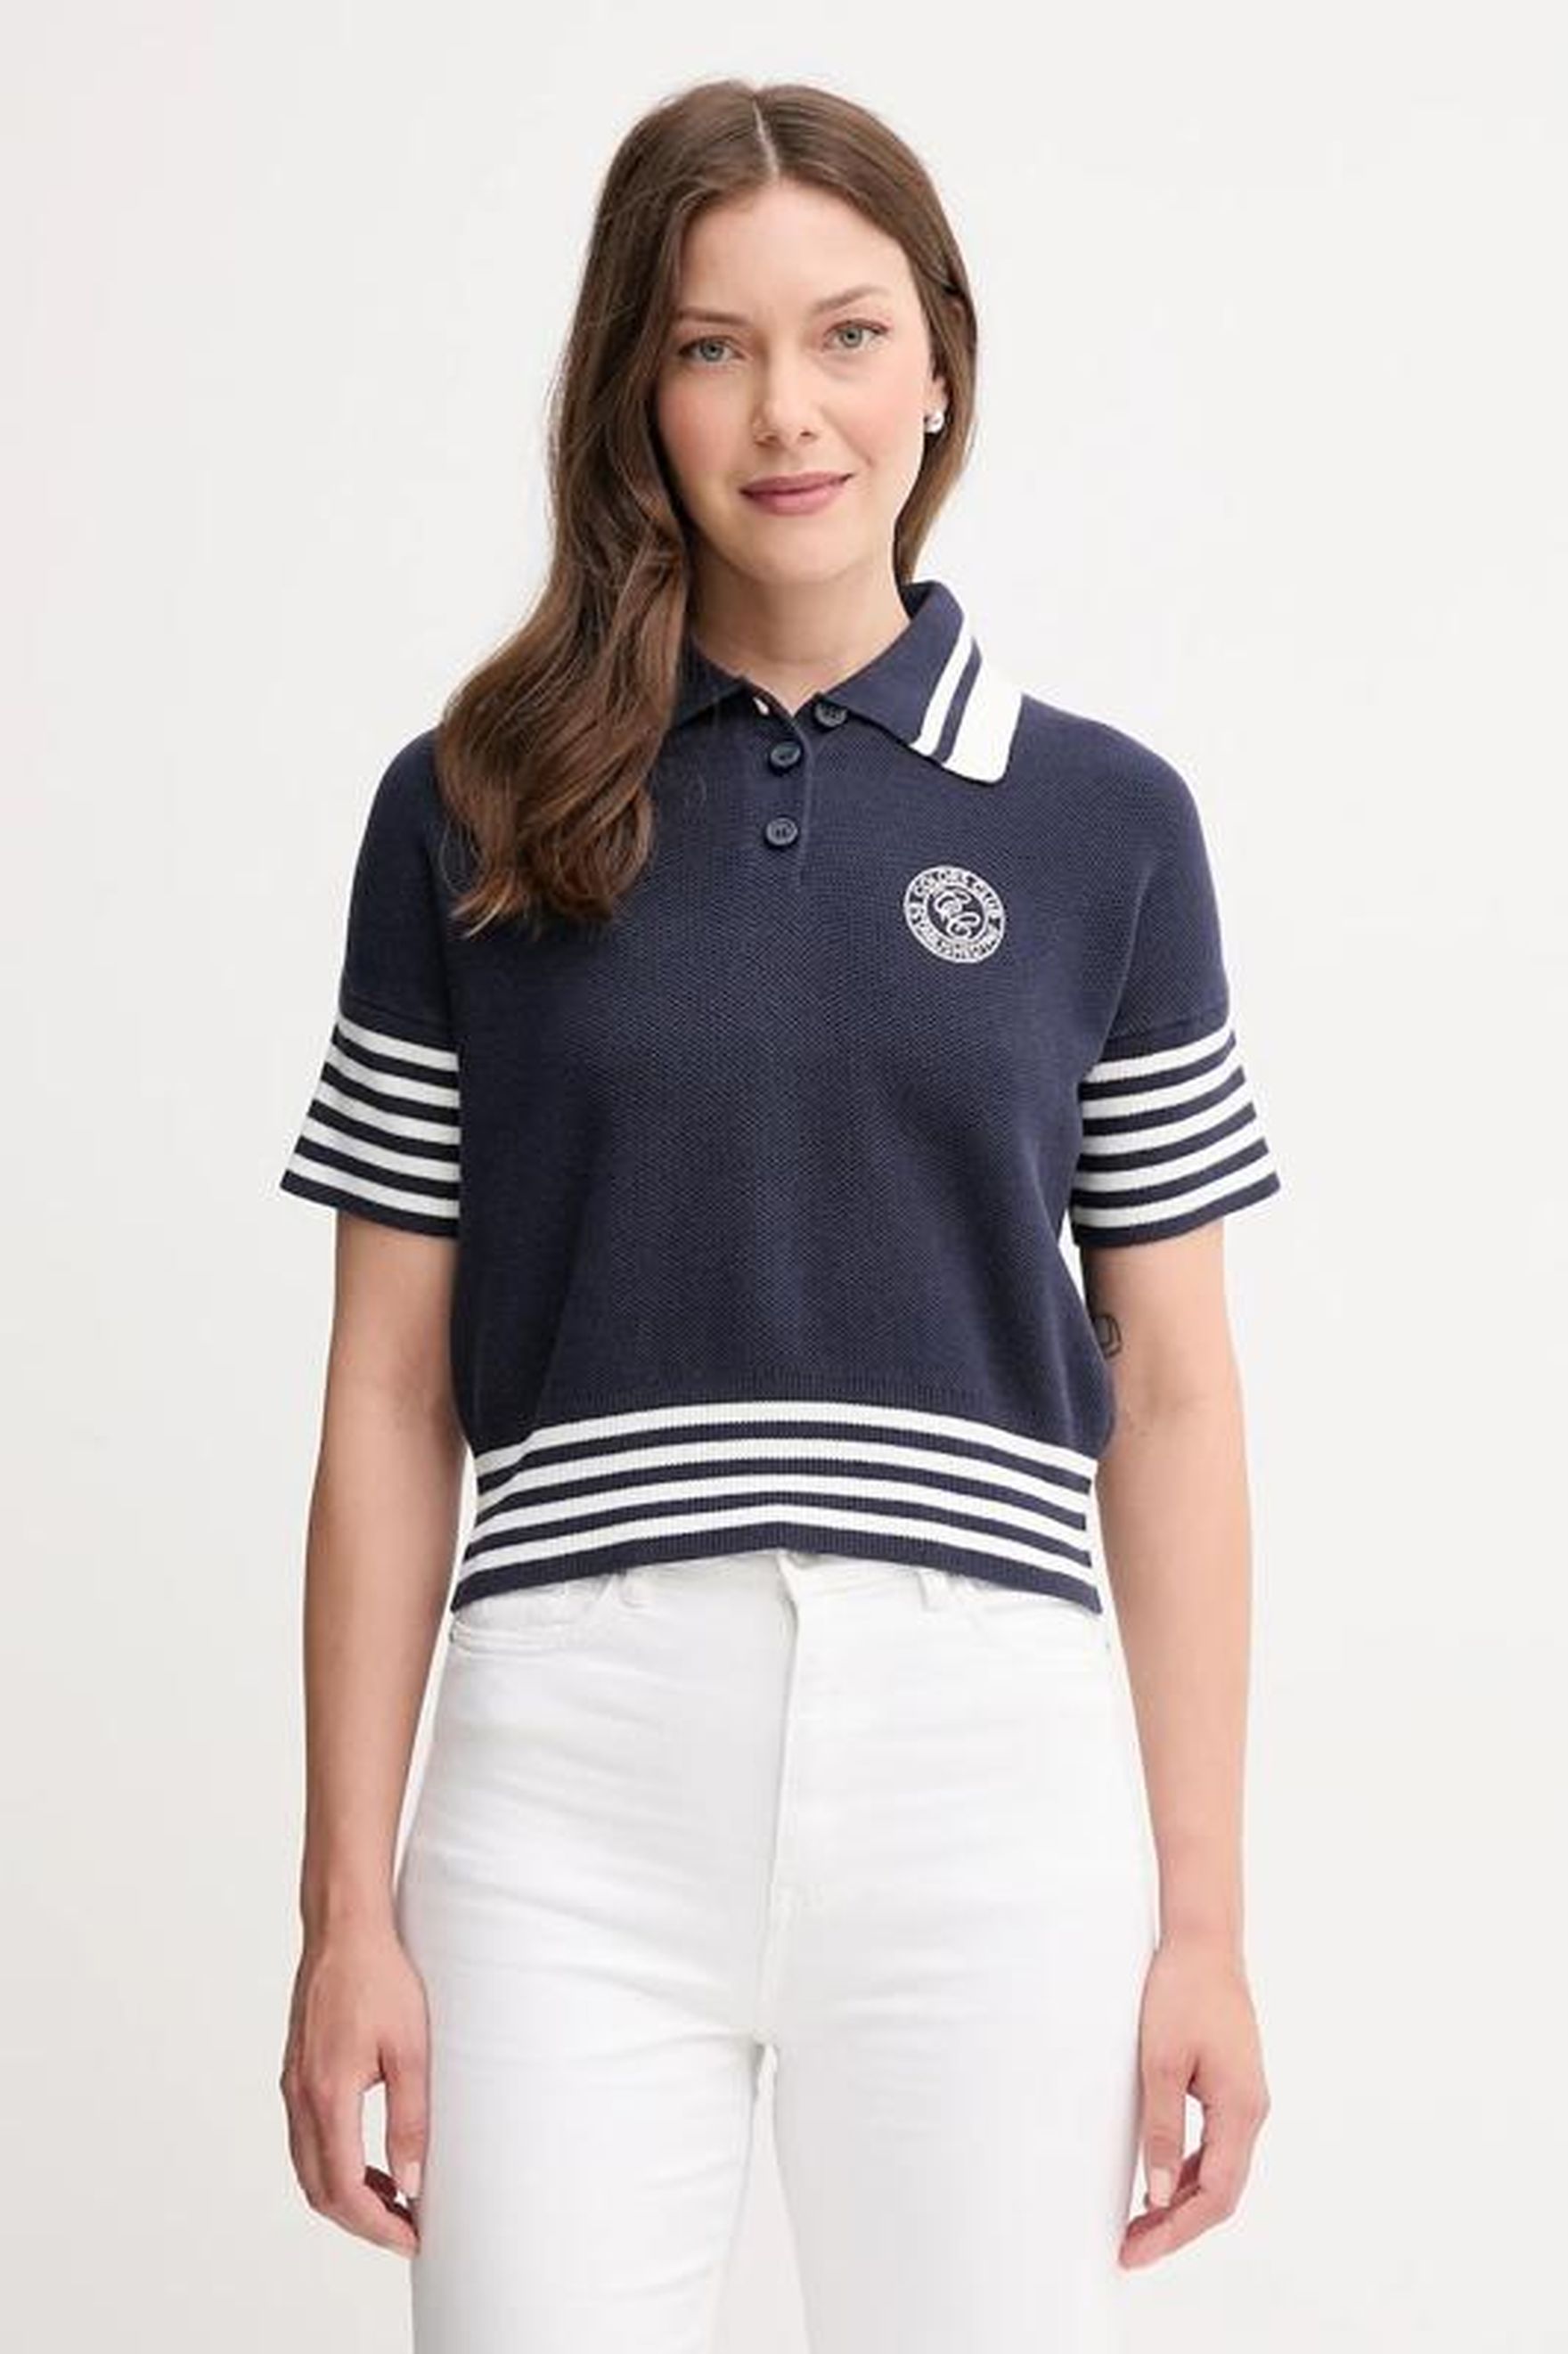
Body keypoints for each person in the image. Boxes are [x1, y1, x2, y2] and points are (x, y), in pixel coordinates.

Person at [276, 76, 1280, 2354]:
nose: (786, 411)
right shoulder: (472, 807)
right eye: (711, 347)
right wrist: (345, 1908)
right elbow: (388, 1392)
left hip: (990, 1777)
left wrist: (1204, 1924)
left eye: (844, 334)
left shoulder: (1106, 823)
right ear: (635, 393)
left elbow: (1178, 1399)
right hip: (561, 1779)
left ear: (938, 360)